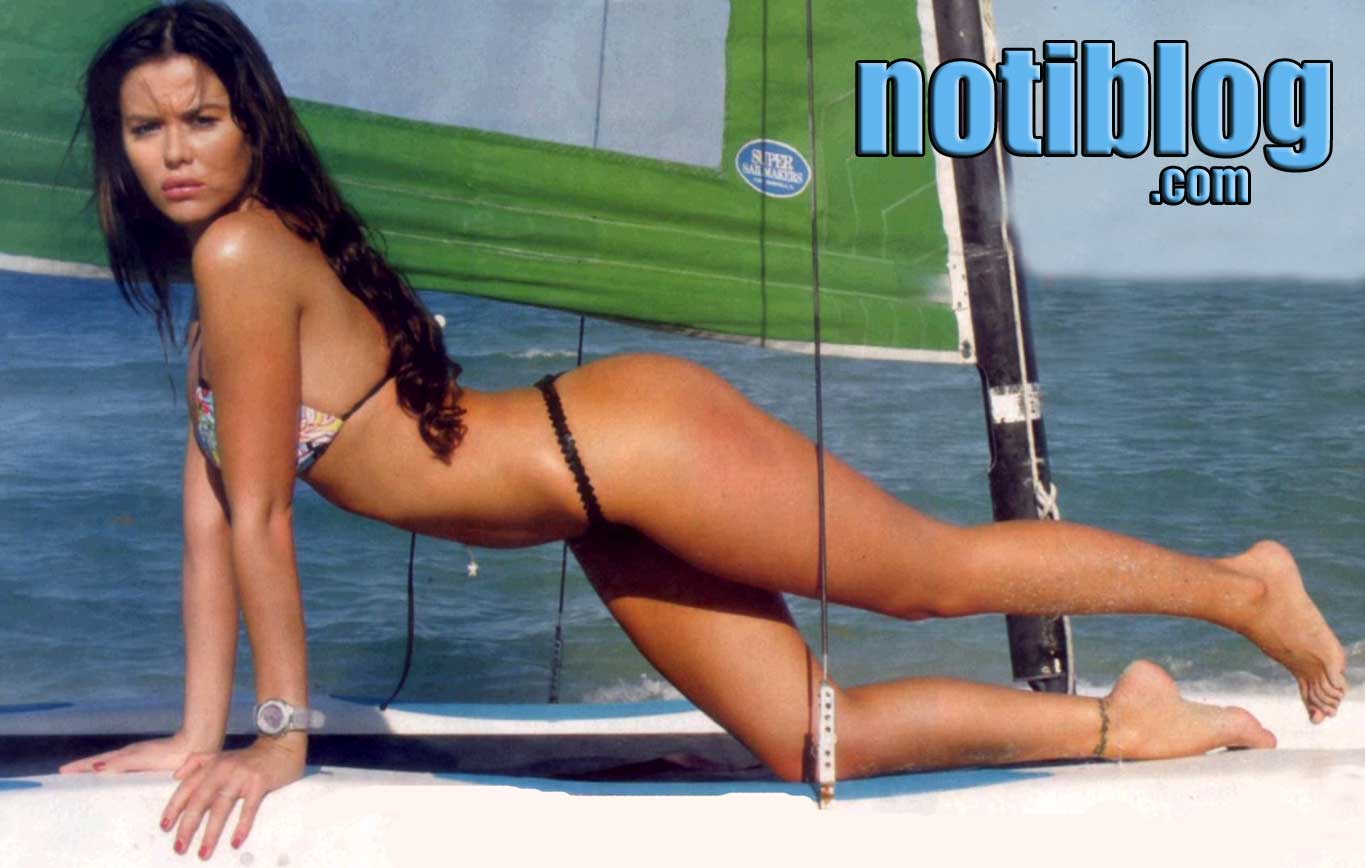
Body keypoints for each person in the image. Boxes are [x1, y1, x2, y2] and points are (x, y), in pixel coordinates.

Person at [58, 0, 1346, 860]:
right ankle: (1127, 721)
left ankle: (1241, 587)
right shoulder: (224, 289)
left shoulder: (241, 254)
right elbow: (213, 524)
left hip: (628, 448)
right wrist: (195, 735)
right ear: (118, 146)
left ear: (252, 121)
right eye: (146, 127)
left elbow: (266, 521)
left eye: (201, 118)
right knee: (816, 744)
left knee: (931, 576)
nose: (176, 151)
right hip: (592, 507)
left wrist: (277, 739)